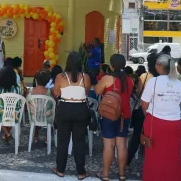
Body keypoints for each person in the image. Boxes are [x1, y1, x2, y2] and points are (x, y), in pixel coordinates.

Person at [140, 54, 181, 181]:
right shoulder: (179, 83)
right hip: (174, 123)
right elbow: (180, 101)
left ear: (159, 66)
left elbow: (144, 104)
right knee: (172, 155)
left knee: (153, 155)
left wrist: (148, 113)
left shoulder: (153, 82)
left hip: (155, 122)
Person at [52, 52, 91, 180]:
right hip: (80, 109)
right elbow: (86, 92)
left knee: (63, 140)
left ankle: (60, 170)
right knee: (79, 141)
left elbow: (56, 93)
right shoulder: (85, 77)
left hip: (65, 108)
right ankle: (81, 172)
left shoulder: (60, 77)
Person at [95, 54, 134, 181]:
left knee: (109, 144)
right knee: (122, 144)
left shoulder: (108, 78)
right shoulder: (130, 79)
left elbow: (97, 91)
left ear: (111, 65)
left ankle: (105, 174)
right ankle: (122, 174)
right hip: (125, 115)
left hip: (109, 114)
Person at [127, 52, 159, 168]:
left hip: (144, 110)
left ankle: (128, 162)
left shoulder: (144, 77)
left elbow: (140, 94)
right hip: (158, 112)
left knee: (136, 135)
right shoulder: (164, 78)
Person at [0, 66, 23, 144]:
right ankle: (7, 134)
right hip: (15, 115)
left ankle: (7, 134)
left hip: (1, 115)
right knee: (11, 116)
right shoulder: (18, 88)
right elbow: (19, 102)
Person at [28, 69, 54, 143]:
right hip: (47, 118)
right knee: (53, 113)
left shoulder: (30, 90)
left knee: (36, 111)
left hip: (34, 117)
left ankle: (36, 136)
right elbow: (54, 102)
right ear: (48, 80)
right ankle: (47, 137)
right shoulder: (50, 91)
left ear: (36, 79)